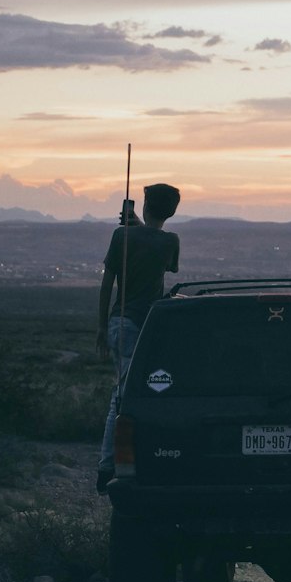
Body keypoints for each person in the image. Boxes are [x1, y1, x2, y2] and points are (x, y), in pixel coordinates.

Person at [95, 182, 181, 492]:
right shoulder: (171, 241)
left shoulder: (121, 236)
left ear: (144, 205)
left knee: (121, 394)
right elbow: (167, 264)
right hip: (149, 328)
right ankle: (114, 463)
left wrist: (102, 327)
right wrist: (142, 227)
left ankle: (108, 465)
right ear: (172, 212)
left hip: (121, 323)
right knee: (135, 392)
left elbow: (108, 284)